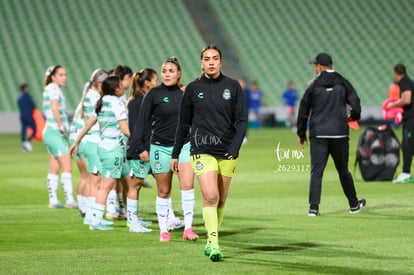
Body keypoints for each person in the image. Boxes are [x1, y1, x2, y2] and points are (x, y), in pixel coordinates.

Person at [171, 45, 248, 261]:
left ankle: (210, 240)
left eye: (215, 58)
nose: (211, 62)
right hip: (201, 148)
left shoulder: (232, 87)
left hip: (227, 150)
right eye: (207, 59)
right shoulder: (193, 89)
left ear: (221, 62)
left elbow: (242, 119)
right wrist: (176, 153)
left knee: (221, 200)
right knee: (211, 195)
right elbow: (183, 123)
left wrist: (235, 147)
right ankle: (214, 243)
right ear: (201, 63)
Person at [129, 57, 198, 242]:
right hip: (160, 147)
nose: (167, 74)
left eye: (171, 71)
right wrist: (136, 147)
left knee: (187, 186)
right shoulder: (153, 94)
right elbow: (142, 122)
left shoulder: (185, 94)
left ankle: (188, 229)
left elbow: (193, 121)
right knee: (164, 190)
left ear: (179, 73)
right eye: (164, 71)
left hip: (183, 146)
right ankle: (164, 231)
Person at [296, 53, 366, 217]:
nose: (315, 69)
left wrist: (301, 133)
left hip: (318, 134)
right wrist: (352, 117)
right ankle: (354, 205)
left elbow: (303, 111)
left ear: (319, 66)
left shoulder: (312, 84)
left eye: (315, 66)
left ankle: (313, 208)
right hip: (339, 134)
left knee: (317, 171)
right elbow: (355, 104)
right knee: (343, 170)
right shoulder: (343, 82)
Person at [71, 75, 133, 231]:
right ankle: (96, 221)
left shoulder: (102, 102)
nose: (122, 87)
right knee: (106, 186)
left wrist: (76, 142)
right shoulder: (117, 104)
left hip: (102, 147)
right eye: (120, 85)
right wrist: (141, 139)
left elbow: (88, 124)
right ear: (115, 88)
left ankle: (95, 218)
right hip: (113, 149)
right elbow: (125, 130)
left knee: (103, 185)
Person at [124, 68, 159, 232]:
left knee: (162, 181)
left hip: (149, 149)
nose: (157, 83)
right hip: (140, 151)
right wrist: (141, 149)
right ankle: (132, 222)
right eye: (155, 80)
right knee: (136, 184)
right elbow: (135, 128)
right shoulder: (137, 101)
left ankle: (167, 217)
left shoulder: (144, 99)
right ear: (147, 83)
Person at [41, 65, 77, 209]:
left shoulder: (50, 88)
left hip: (49, 131)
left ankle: (53, 200)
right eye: (61, 75)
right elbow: (54, 107)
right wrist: (61, 125)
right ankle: (69, 200)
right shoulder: (53, 88)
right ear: (53, 77)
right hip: (55, 131)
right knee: (67, 166)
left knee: (54, 167)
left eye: (65, 74)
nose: (64, 77)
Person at [387, 64, 414, 183]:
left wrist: (392, 105)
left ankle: (406, 173)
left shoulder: (405, 82)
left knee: (407, 145)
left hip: (411, 119)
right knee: (410, 145)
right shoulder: (408, 81)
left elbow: (407, 99)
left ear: (396, 74)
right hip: (410, 119)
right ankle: (406, 172)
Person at [17, 83, 36, 152]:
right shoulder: (28, 97)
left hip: (22, 115)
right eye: (27, 88)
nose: (28, 89)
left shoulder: (19, 97)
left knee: (23, 129)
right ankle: (28, 142)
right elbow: (33, 105)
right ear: (25, 88)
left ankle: (24, 143)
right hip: (28, 115)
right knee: (34, 128)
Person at [238, 78, 250, 144]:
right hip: (236, 110)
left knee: (244, 124)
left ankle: (244, 137)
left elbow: (248, 100)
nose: (241, 84)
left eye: (242, 83)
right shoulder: (236, 90)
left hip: (245, 110)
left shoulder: (247, 91)